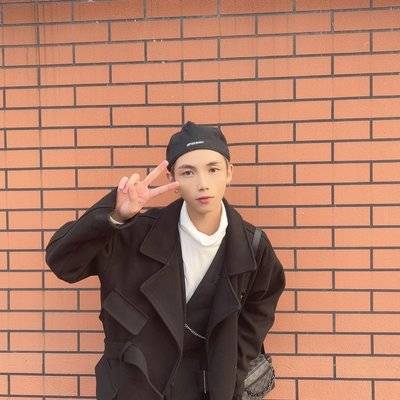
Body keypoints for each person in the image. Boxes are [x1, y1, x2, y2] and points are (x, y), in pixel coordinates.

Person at [45, 121, 286, 400]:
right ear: (172, 179)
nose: (203, 183)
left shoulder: (252, 246)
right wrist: (114, 215)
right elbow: (63, 262)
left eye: (213, 169)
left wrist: (232, 371)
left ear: (229, 172)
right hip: (135, 387)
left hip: (207, 389)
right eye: (188, 172)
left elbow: (258, 313)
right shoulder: (134, 232)